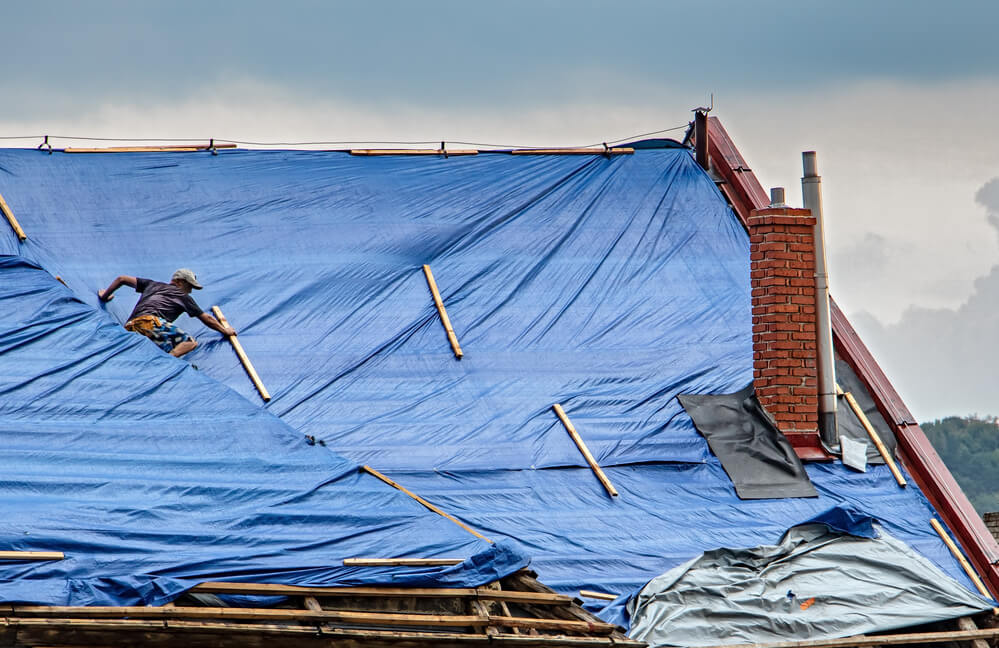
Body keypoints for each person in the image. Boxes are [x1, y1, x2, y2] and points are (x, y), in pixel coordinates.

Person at [98, 268, 236, 358]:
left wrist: (105, 296)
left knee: (165, 347)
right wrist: (225, 330)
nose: (190, 291)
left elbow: (121, 279)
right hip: (150, 322)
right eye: (189, 286)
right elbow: (206, 318)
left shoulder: (152, 285)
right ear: (179, 282)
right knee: (189, 343)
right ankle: (168, 363)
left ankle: (165, 358)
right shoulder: (182, 296)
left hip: (130, 327)